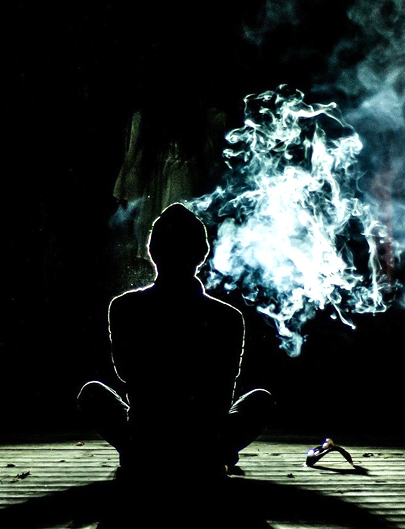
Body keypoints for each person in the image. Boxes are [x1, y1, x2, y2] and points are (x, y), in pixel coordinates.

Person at [78, 203, 274, 478]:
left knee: (92, 394)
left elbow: (125, 373)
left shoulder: (124, 307)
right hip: (205, 439)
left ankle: (141, 453)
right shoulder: (228, 316)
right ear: (201, 254)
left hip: (146, 436)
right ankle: (209, 455)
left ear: (152, 252)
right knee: (261, 401)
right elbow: (224, 386)